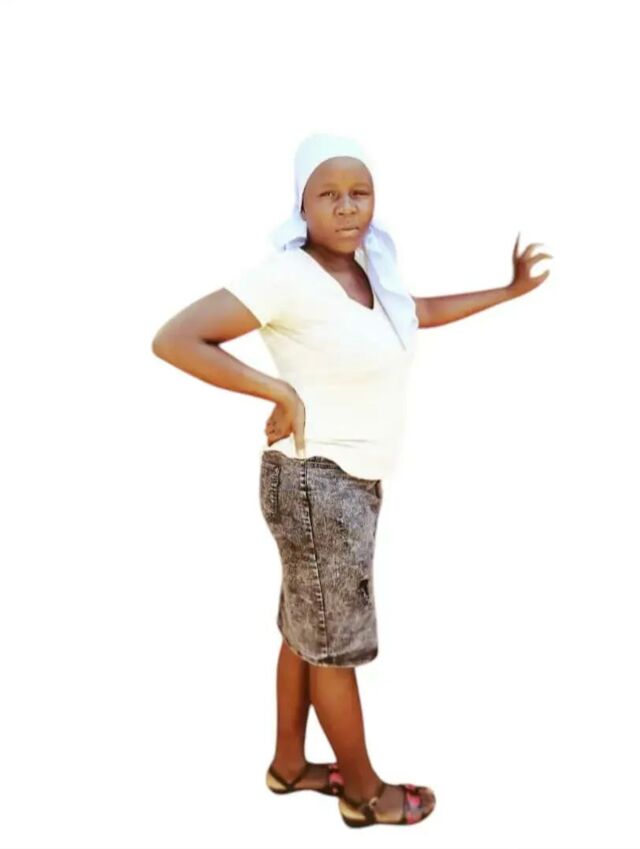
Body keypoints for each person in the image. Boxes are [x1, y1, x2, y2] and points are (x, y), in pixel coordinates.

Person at [151, 133, 552, 828]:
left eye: (358, 193)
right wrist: (276, 389)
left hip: (341, 486)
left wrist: (509, 291)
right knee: (334, 648)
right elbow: (176, 338)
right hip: (318, 486)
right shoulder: (288, 275)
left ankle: (288, 765)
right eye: (328, 194)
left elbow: (416, 314)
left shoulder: (368, 273)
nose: (346, 207)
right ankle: (364, 793)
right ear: (301, 205)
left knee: (307, 632)